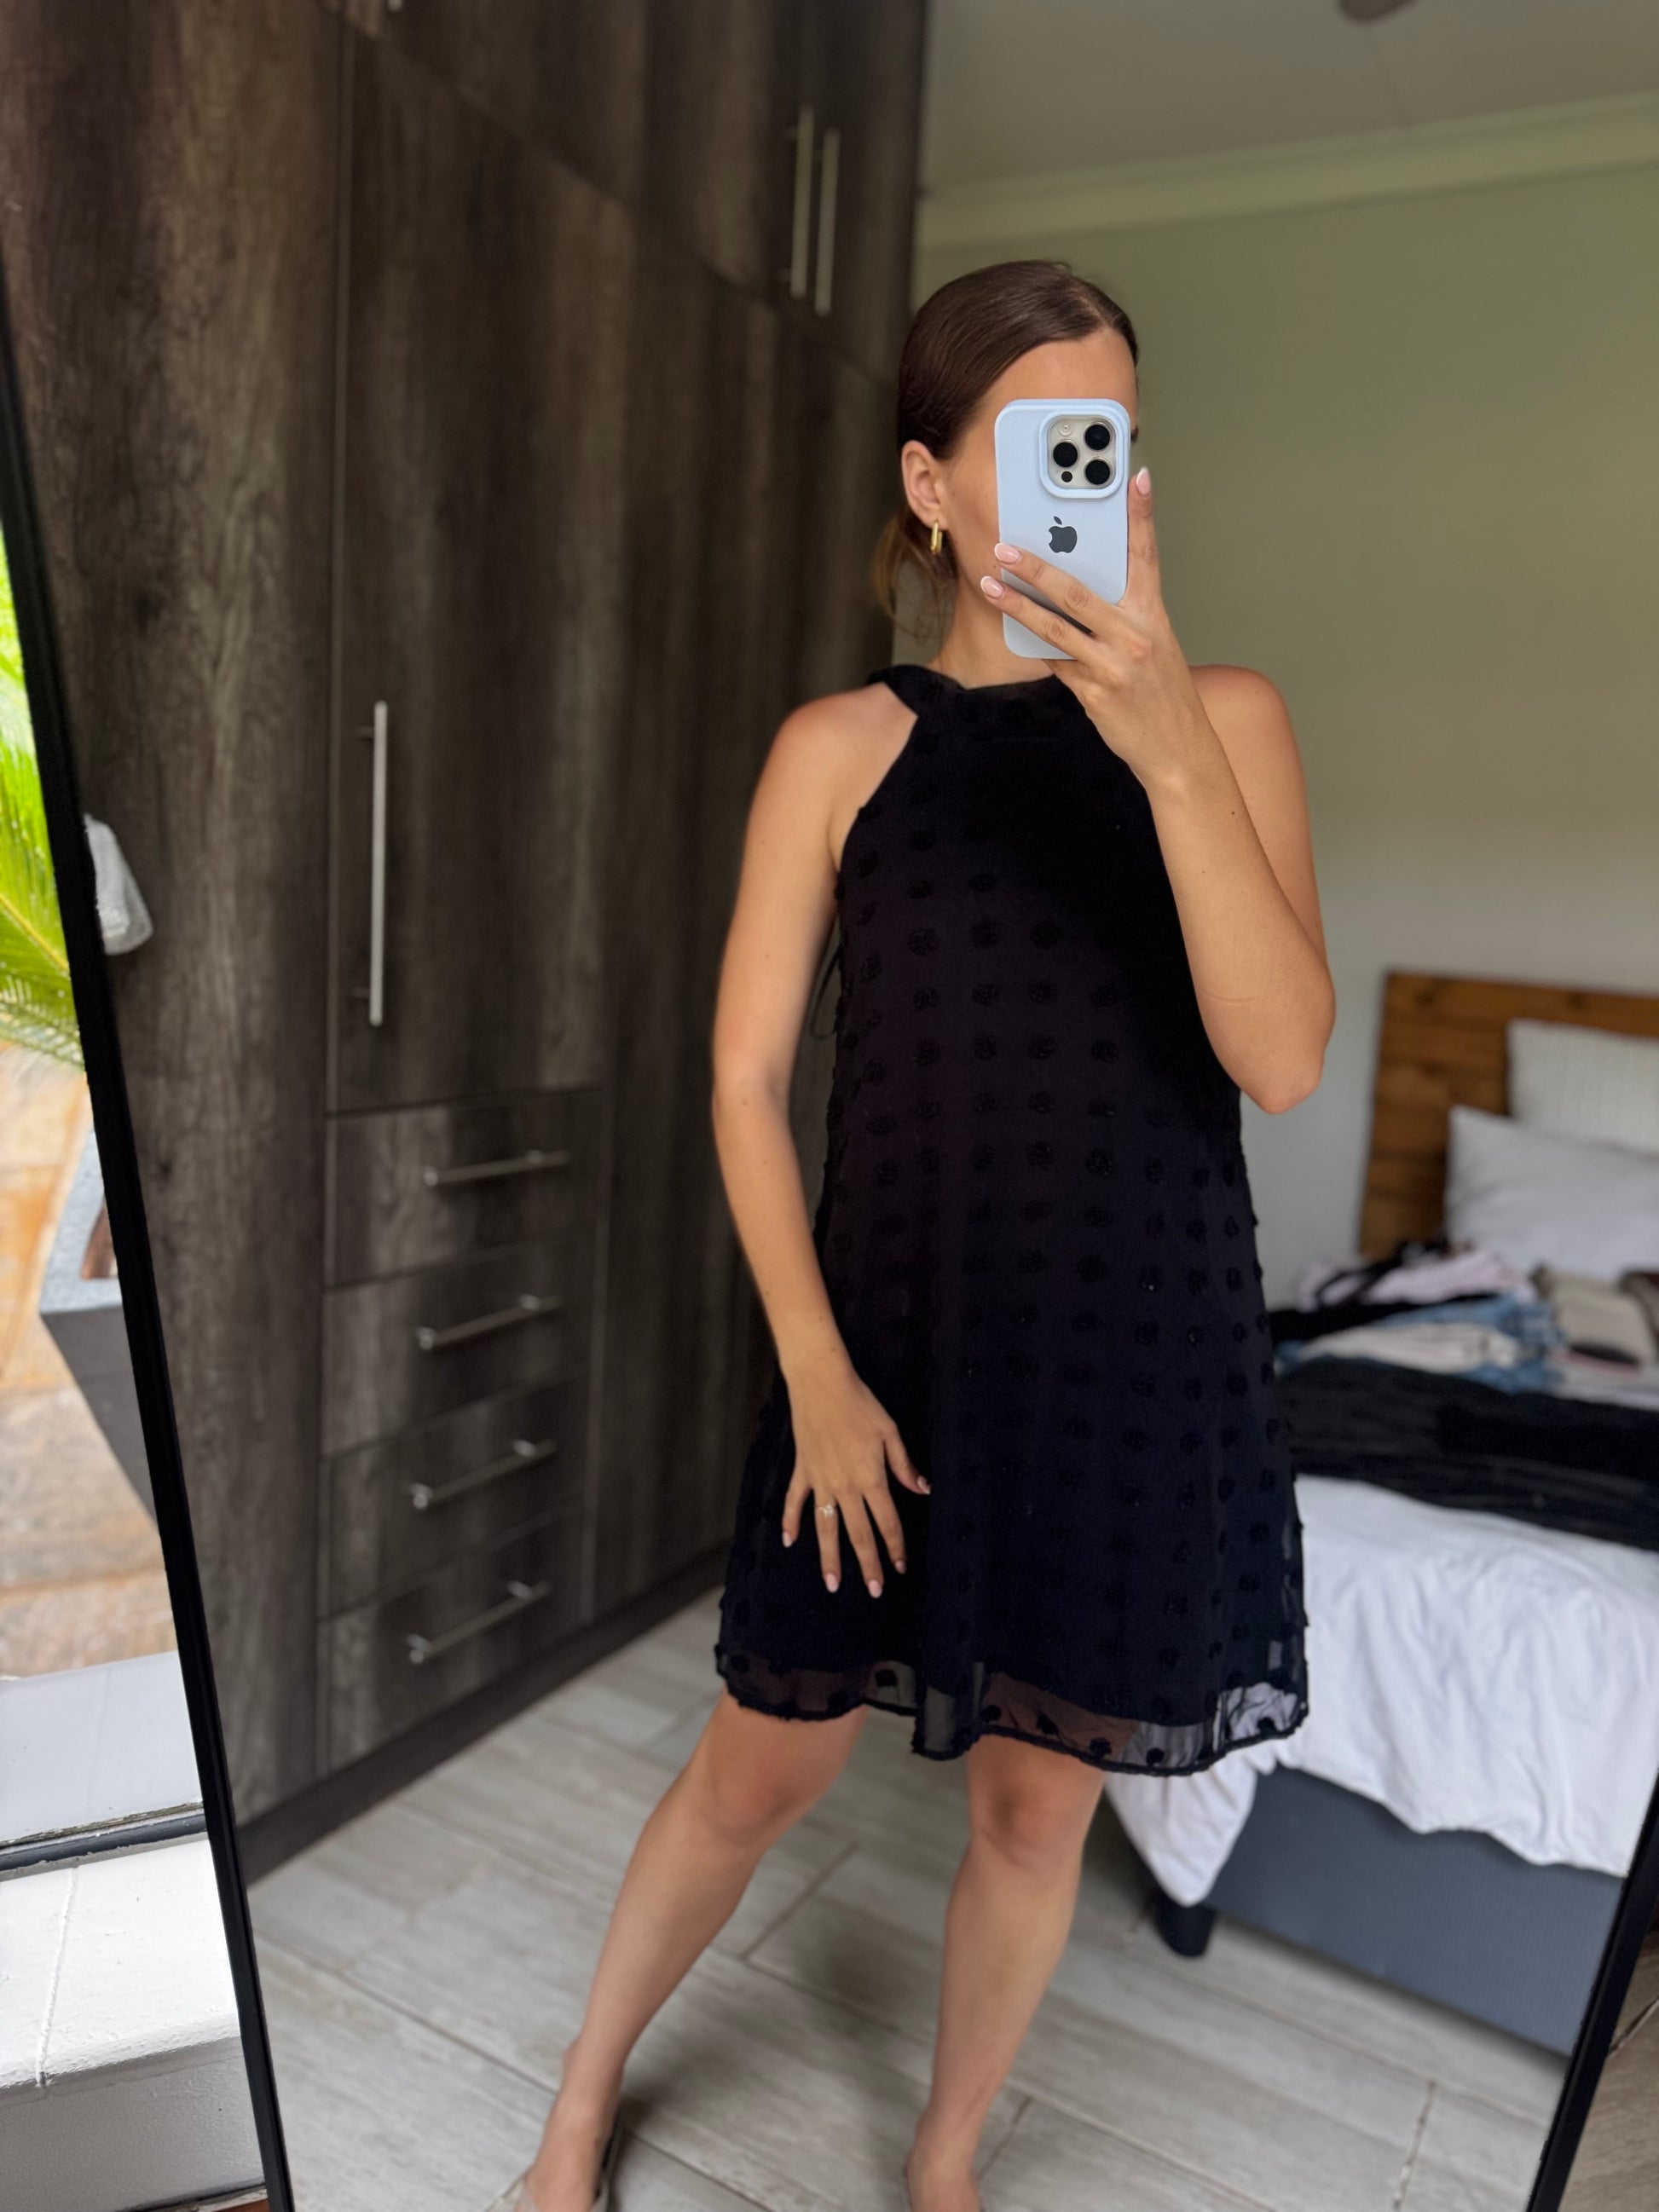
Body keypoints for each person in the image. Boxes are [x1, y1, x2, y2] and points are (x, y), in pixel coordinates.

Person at [507, 258, 1333, 2212]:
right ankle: (573, 2112)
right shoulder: (836, 750)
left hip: (1134, 1371)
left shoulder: (1223, 720)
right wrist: (812, 1369)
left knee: (1038, 1803)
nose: (1082, 473)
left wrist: (1161, 735)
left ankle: (946, 2153)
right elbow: (743, 1079)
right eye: (1041, 438)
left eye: (1108, 438)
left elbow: (1283, 1057)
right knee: (759, 1762)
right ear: (933, 482)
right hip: (882, 1358)